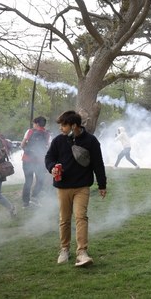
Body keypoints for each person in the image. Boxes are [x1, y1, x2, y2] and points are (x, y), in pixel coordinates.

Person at [45, 110, 107, 267]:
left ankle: (82, 252)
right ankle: (64, 249)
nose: (61, 128)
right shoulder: (58, 141)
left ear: (74, 126)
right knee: (64, 220)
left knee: (81, 217)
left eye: (64, 125)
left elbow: (98, 164)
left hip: (82, 186)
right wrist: (52, 167)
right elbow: (49, 158)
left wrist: (102, 185)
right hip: (63, 187)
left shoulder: (91, 141)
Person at [20, 116, 51, 208]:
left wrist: (28, 150)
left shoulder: (29, 131)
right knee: (40, 181)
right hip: (40, 161)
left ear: (36, 123)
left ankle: (26, 203)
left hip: (27, 160)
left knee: (28, 181)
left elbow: (22, 145)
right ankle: (34, 198)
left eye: (34, 123)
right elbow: (49, 148)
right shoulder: (47, 134)